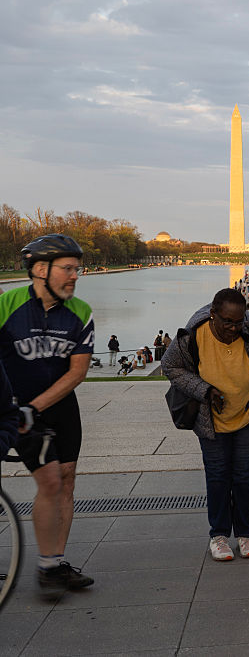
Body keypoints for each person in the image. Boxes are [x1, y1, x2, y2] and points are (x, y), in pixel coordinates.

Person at [162, 288, 249, 562]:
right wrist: (204, 390)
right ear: (213, 315)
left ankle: (245, 534)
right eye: (227, 322)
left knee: (244, 476)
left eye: (239, 322)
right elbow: (171, 366)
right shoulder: (193, 334)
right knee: (218, 476)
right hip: (210, 419)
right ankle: (219, 536)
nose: (234, 329)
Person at [0, 234, 95, 595]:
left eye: (77, 268)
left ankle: (54, 561)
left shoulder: (80, 312)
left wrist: (36, 406)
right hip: (15, 407)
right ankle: (47, 567)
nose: (75, 276)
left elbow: (78, 372)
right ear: (41, 269)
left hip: (58, 406)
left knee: (67, 479)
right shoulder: (7, 305)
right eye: (68, 268)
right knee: (51, 480)